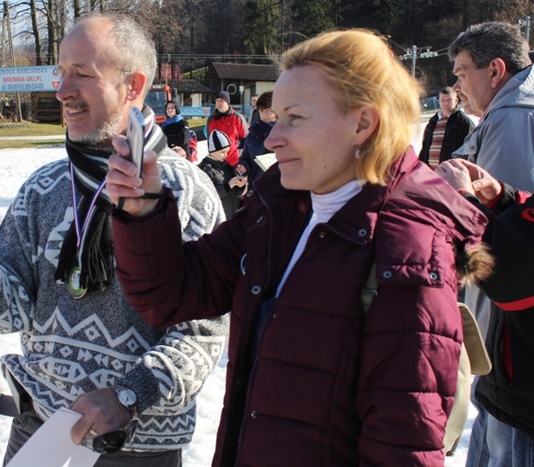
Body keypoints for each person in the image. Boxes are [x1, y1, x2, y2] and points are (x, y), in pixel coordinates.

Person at [105, 29, 493, 465]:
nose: (272, 139)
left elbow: (402, 446)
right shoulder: (281, 206)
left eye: (295, 118)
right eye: (275, 118)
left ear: (362, 123)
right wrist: (144, 211)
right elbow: (169, 295)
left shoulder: (408, 250)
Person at [0, 13, 227, 466]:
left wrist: (127, 394)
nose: (61, 91)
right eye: (61, 73)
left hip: (133, 449)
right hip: (37, 433)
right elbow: (0, 315)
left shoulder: (186, 192)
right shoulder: (46, 187)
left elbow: (204, 336)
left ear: (133, 86)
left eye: (82, 74)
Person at [437, 158, 534, 467]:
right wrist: (504, 197)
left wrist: (460, 200)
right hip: (508, 390)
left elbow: (505, 274)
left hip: (524, 412)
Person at [449, 21, 534, 335]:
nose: (456, 87)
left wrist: (483, 344)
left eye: (462, 74)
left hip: (508, 334)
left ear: (495, 71)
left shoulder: (510, 117)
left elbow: (500, 247)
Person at [419, 87, 475, 168]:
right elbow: (424, 147)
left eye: (449, 100)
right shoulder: (433, 122)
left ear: (456, 101)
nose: (445, 103)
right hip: (431, 173)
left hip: (451, 173)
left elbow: (469, 151)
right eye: (443, 100)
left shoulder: (463, 122)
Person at [198, 130, 245, 219]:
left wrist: (240, 185)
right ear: (212, 151)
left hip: (233, 214)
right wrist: (228, 186)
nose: (225, 155)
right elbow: (207, 196)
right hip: (219, 218)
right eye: (222, 152)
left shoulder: (226, 166)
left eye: (227, 151)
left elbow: (235, 193)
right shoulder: (205, 169)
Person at [235, 91, 277, 188]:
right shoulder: (254, 132)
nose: (264, 115)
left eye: (268, 111)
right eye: (261, 111)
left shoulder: (288, 131)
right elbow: (245, 157)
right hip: (257, 185)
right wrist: (243, 166)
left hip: (281, 188)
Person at [204, 91, 248, 168]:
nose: (219, 103)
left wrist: (243, 159)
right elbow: (210, 140)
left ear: (227, 102)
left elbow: (245, 138)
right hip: (217, 161)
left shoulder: (237, 117)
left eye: (222, 101)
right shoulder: (211, 119)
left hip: (234, 160)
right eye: (217, 101)